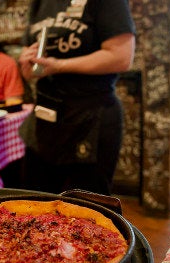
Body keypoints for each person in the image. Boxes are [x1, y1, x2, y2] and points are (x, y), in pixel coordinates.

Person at [18, 0, 135, 195]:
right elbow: (27, 49)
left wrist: (59, 65)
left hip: (90, 118)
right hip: (44, 120)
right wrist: (27, 63)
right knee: (35, 204)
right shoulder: (39, 3)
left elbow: (122, 57)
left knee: (87, 209)